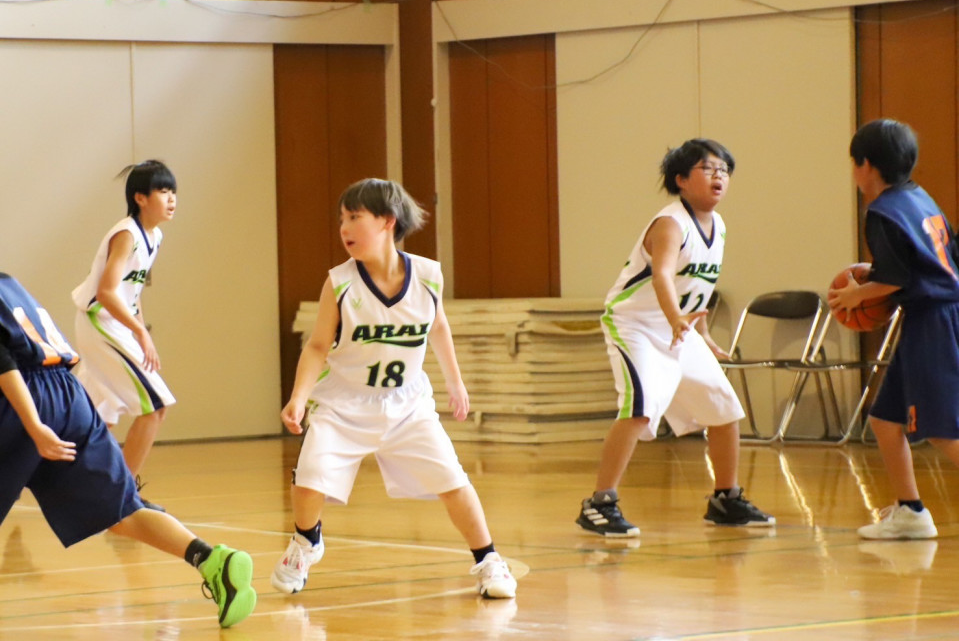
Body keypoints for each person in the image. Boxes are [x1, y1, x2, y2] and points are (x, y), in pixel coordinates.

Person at [271, 178, 516, 600]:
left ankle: (489, 559)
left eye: (355, 217)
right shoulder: (340, 283)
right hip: (345, 403)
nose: (344, 228)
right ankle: (306, 541)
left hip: (407, 404)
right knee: (309, 477)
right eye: (341, 219)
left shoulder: (428, 275)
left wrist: (455, 381)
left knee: (453, 480)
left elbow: (438, 327)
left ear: (387, 221)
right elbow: (317, 346)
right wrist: (298, 397)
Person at [0, 272, 256, 627]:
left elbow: (4, 364)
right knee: (121, 511)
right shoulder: (9, 283)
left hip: (21, 399)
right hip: (68, 395)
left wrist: (33, 425)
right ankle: (212, 561)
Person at [575, 139, 775, 537]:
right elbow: (663, 276)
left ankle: (726, 498)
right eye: (708, 169)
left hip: (677, 326)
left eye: (724, 170)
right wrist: (676, 319)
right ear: (681, 179)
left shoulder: (718, 226)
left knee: (724, 409)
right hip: (635, 325)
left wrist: (701, 333)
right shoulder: (670, 223)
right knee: (638, 409)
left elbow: (697, 288)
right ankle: (599, 503)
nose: (719, 177)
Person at [829, 118, 959, 540]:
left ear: (865, 165)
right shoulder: (920, 198)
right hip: (938, 313)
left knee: (940, 429)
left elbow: (895, 278)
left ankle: (911, 512)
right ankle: (911, 512)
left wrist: (856, 295)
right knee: (885, 419)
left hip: (932, 320)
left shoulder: (882, 211)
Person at [71, 160, 177, 511]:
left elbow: (131, 294)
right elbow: (106, 293)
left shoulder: (154, 237)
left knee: (92, 417)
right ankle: (123, 497)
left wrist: (142, 332)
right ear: (140, 198)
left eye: (173, 191)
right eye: (163, 191)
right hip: (100, 321)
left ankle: (24, 455)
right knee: (155, 408)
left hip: (113, 324)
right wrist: (139, 332)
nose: (172, 198)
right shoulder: (127, 234)